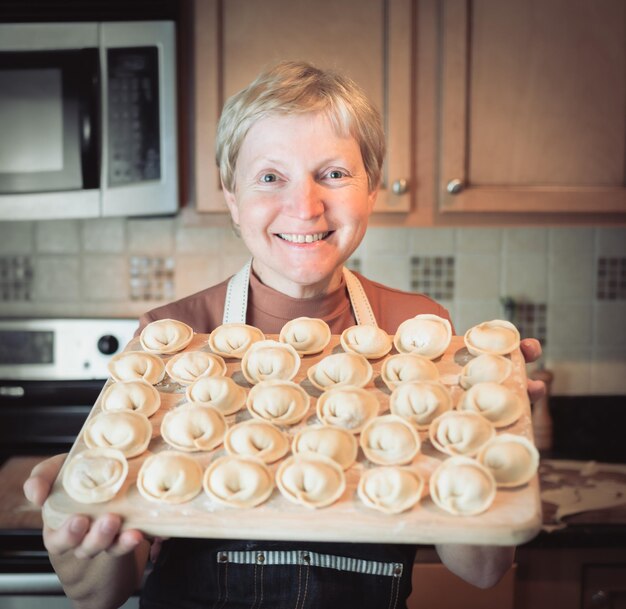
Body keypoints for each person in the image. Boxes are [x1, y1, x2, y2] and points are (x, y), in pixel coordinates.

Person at [24, 60, 545, 609]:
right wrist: (76, 537)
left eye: (335, 174)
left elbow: (483, 572)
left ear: (371, 188)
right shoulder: (170, 345)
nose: (305, 206)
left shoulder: (417, 336)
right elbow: (100, 595)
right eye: (271, 177)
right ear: (232, 196)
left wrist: (493, 434)